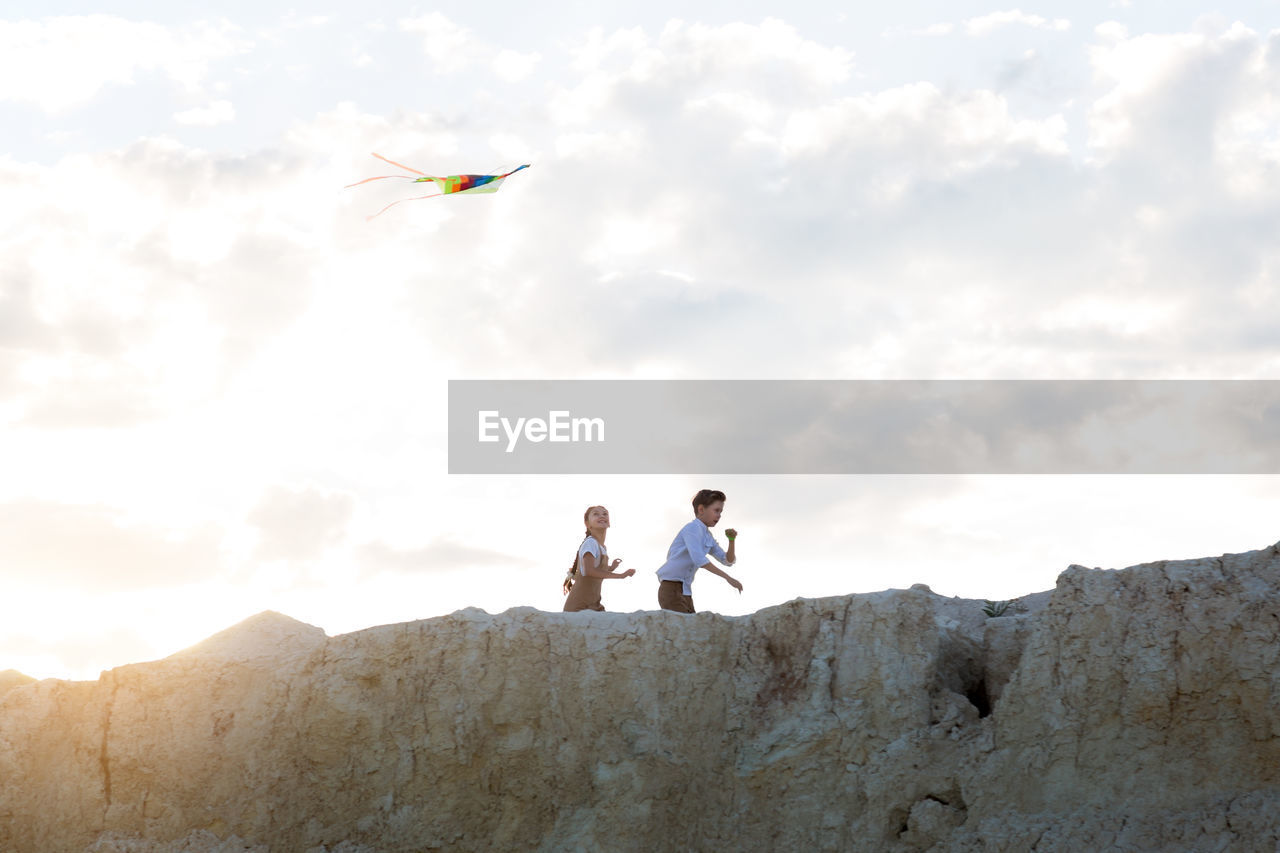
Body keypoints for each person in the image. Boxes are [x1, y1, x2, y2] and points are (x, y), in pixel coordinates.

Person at [656, 489, 742, 613]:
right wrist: (728, 578)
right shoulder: (691, 528)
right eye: (716, 510)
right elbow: (699, 560)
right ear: (701, 509)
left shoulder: (708, 536)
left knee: (692, 629)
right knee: (683, 630)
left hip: (686, 591)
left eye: (721, 512)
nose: (719, 515)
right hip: (671, 589)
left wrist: (731, 541)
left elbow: (727, 561)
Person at [563, 505, 636, 612]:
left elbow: (598, 571)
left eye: (605, 514)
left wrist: (611, 567)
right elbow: (589, 571)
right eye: (596, 514)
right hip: (579, 607)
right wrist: (621, 576)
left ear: (609, 522)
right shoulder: (590, 543)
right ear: (587, 524)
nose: (602, 516)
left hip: (593, 604)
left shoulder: (602, 547)